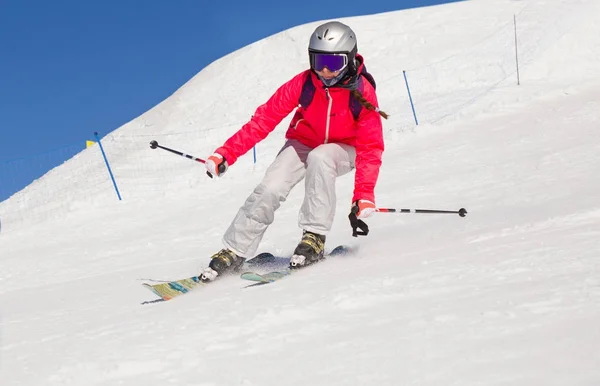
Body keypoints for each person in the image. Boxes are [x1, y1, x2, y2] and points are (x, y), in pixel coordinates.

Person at [200, 21, 388, 282]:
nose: (324, 70)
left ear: (349, 59)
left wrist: (364, 195)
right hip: (304, 141)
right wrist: (225, 154)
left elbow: (370, 147)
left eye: (333, 63)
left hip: (344, 149)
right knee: (270, 187)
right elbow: (264, 119)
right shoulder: (304, 83)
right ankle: (235, 250)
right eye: (318, 60)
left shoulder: (362, 92)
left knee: (321, 158)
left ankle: (314, 237)